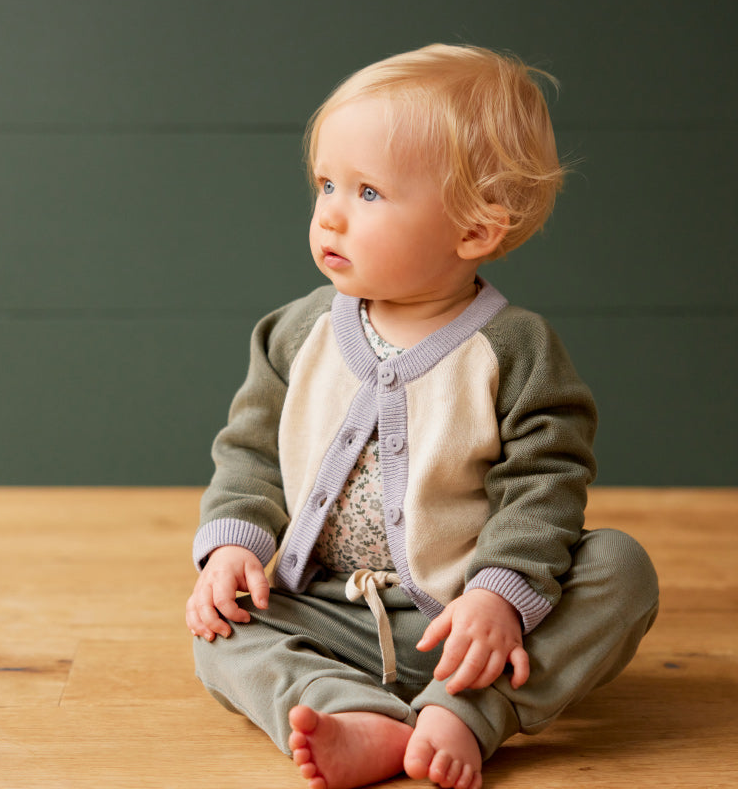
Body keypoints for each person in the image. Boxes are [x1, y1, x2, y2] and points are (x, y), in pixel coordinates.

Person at [185, 44, 659, 789]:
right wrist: (232, 550)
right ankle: (350, 714)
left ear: (474, 232)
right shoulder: (295, 332)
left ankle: (467, 709)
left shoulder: (515, 348)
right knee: (219, 633)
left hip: (466, 623)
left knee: (621, 572)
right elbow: (249, 453)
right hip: (328, 610)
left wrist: (498, 597)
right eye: (326, 184)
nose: (331, 214)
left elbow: (545, 483)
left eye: (368, 193)